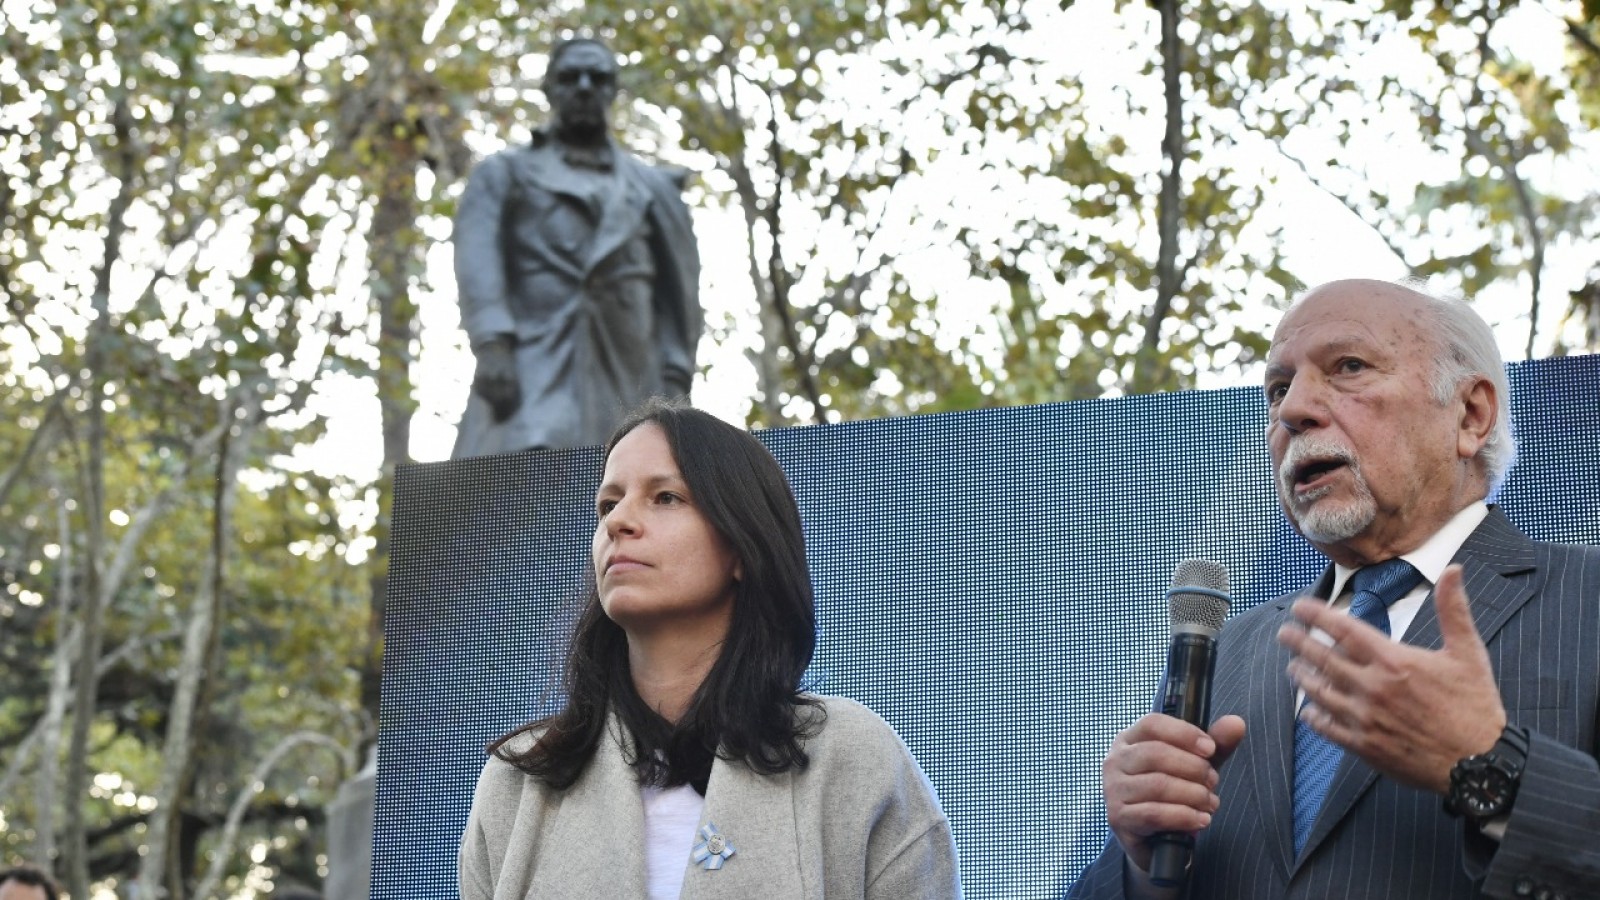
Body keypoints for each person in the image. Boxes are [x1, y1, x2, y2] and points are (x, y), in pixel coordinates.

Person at [1069, 279, 1600, 899]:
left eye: (1349, 367)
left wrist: (1491, 768)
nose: (1293, 410)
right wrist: (1142, 859)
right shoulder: (1231, 649)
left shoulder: (1586, 599)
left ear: (1470, 415)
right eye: (1278, 389)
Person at [458, 399, 960, 899]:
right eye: (608, 504)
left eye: (666, 497)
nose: (618, 522)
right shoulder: (516, 780)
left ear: (742, 546)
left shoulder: (855, 757)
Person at [451, 37, 702, 458]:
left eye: (598, 78)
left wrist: (676, 373)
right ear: (549, 88)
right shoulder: (503, 173)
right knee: (514, 490)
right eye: (570, 78)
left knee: (629, 479)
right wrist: (492, 342)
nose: (584, 87)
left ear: (612, 91)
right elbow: (478, 260)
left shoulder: (654, 187)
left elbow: (681, 287)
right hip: (535, 359)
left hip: (629, 366)